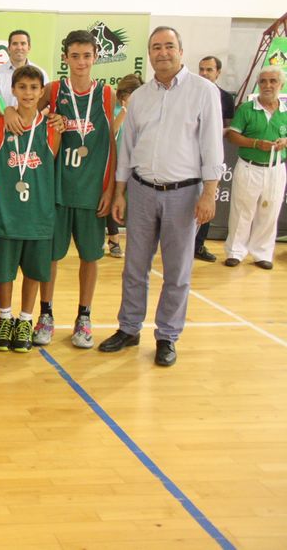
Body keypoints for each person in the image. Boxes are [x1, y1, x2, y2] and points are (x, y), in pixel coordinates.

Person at [102, 26, 223, 367]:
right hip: (141, 190)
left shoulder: (203, 92)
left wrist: (210, 192)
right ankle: (128, 328)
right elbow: (127, 149)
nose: (163, 53)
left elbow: (212, 144)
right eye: (156, 47)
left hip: (184, 194)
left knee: (177, 271)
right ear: (150, 53)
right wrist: (121, 192)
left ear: (180, 51)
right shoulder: (140, 96)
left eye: (169, 46)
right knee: (134, 267)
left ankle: (167, 335)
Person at [32, 30, 115, 350]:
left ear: (96, 57)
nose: (81, 62)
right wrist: (16, 113)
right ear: (65, 58)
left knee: (90, 257)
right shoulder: (53, 90)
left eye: (87, 55)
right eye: (75, 55)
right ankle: (46, 315)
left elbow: (114, 145)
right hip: (57, 190)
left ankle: (84, 317)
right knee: (51, 257)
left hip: (92, 192)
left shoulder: (106, 95)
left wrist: (111, 189)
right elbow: (26, 114)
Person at [0, 66, 59, 353]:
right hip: (7, 212)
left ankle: (26, 320)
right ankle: (5, 318)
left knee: (33, 272)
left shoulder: (53, 128)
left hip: (39, 215)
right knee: (5, 272)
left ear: (42, 92)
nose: (28, 93)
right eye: (22, 87)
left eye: (33, 88)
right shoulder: (1, 125)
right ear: (13, 90)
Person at [223, 65, 287, 269]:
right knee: (242, 210)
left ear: (281, 84)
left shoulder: (285, 111)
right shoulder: (246, 109)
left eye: (273, 81)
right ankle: (235, 251)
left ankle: (262, 253)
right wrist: (256, 144)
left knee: (270, 211)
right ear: (258, 84)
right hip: (250, 167)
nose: (268, 85)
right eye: (263, 81)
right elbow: (232, 135)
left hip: (276, 168)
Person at [193, 55, 238, 261]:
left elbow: (229, 128)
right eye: (201, 69)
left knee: (208, 198)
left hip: (211, 157)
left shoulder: (225, 98)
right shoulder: (190, 92)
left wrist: (212, 132)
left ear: (218, 72)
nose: (204, 73)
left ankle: (199, 245)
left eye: (209, 70)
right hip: (190, 157)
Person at [106, 74, 144, 257]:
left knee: (133, 204)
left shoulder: (144, 111)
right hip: (114, 164)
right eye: (130, 93)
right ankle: (113, 238)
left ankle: (133, 242)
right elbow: (111, 131)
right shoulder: (114, 109)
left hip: (136, 165)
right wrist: (124, 111)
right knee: (113, 200)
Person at [0, 30, 49, 109]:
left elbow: (47, 105)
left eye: (23, 43)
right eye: (15, 44)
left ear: (29, 47)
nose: (19, 47)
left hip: (33, 120)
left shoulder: (41, 73)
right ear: (8, 48)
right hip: (5, 120)